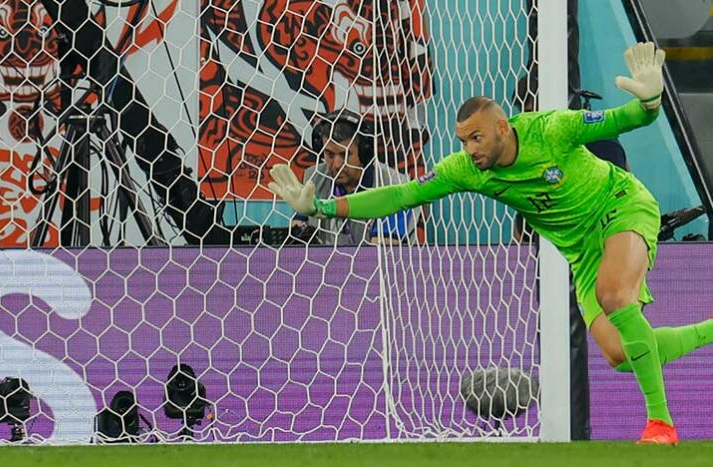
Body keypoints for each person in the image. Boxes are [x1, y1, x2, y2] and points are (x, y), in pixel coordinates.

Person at [269, 42, 713, 444]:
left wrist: (650, 100)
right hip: (580, 248)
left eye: (477, 137)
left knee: (614, 294)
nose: (470, 149)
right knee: (619, 353)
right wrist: (324, 208)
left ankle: (661, 425)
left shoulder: (551, 129)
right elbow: (403, 194)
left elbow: (626, 118)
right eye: (463, 140)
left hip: (621, 206)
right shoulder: (469, 169)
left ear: (503, 126)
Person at [291, 110, 418, 246]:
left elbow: (382, 253)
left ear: (364, 152)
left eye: (345, 155)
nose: (337, 164)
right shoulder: (314, 178)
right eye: (329, 154)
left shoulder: (394, 185)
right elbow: (298, 241)